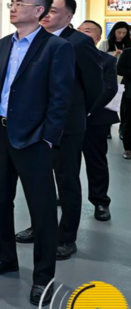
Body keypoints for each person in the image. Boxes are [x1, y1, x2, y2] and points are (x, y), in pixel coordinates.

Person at [0, 0, 75, 307]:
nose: (13, 7)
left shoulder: (57, 47)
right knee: (1, 199)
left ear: (39, 10)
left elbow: (61, 97)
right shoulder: (4, 43)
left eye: (20, 3)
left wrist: (48, 137)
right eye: (12, 2)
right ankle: (5, 257)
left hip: (33, 138)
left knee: (42, 209)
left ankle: (43, 277)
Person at [14, 0, 102, 260]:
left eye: (53, 10)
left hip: (67, 126)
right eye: (45, 9)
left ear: (69, 16)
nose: (47, 14)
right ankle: (40, 227)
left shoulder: (79, 43)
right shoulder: (34, 38)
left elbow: (95, 85)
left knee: (67, 182)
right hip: (35, 124)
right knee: (38, 181)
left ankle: (66, 237)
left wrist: (79, 113)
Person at [77, 20, 118, 222]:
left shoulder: (106, 60)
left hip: (95, 119)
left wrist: (87, 111)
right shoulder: (66, 56)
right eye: (78, 30)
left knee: (96, 162)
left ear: (97, 37)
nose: (80, 34)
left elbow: (109, 88)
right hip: (68, 120)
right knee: (65, 163)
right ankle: (66, 195)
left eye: (86, 31)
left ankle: (100, 201)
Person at [116, 48, 131, 159]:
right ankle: (128, 148)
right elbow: (119, 69)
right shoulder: (127, 52)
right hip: (129, 91)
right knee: (128, 121)